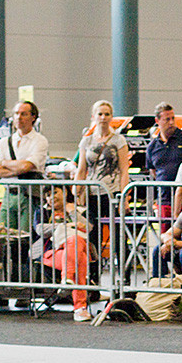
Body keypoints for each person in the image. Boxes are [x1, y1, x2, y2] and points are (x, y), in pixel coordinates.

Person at [76, 100, 130, 287]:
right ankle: (93, 281)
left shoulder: (118, 140)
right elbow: (82, 169)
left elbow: (124, 170)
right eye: (100, 114)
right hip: (92, 195)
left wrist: (124, 197)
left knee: (118, 238)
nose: (103, 118)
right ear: (94, 117)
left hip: (112, 193)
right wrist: (77, 191)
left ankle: (124, 280)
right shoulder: (87, 141)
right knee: (92, 239)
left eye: (107, 114)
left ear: (111, 117)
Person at [31, 186, 91, 322]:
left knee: (75, 247)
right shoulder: (42, 211)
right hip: (51, 252)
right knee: (78, 258)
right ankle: (80, 308)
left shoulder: (80, 209)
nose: (51, 197)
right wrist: (66, 226)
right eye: (48, 195)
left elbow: (89, 227)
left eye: (55, 193)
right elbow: (40, 229)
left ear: (65, 193)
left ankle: (67, 280)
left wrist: (72, 213)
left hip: (75, 251)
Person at [0, 101, 48, 231]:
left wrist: (4, 163)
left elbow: (27, 166)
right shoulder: (4, 142)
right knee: (3, 234)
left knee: (25, 236)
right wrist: (18, 169)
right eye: (16, 114)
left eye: (24, 114)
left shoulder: (40, 141)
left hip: (29, 196)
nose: (19, 117)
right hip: (8, 195)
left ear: (33, 117)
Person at [145, 102, 182, 229]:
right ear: (157, 121)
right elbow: (153, 172)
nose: (171, 122)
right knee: (165, 237)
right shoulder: (152, 147)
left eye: (172, 118)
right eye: (167, 119)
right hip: (164, 200)